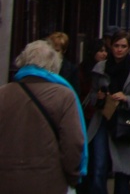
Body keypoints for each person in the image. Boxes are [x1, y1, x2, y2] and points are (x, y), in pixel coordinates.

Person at [0, 40, 87, 194]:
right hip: (50, 180)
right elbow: (73, 142)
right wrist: (73, 176)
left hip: (7, 180)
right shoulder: (64, 96)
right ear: (53, 65)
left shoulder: (3, 94)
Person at [85, 29, 130, 194]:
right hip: (103, 118)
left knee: (122, 169)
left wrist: (127, 98)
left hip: (124, 121)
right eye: (116, 46)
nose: (119, 49)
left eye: (123, 46)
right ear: (111, 47)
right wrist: (99, 96)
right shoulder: (100, 67)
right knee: (99, 165)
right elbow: (91, 95)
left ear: (129, 48)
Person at [48, 30, 83, 99]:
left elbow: (75, 94)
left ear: (64, 51)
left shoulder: (72, 69)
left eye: (57, 50)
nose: (53, 53)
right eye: (51, 50)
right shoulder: (44, 66)